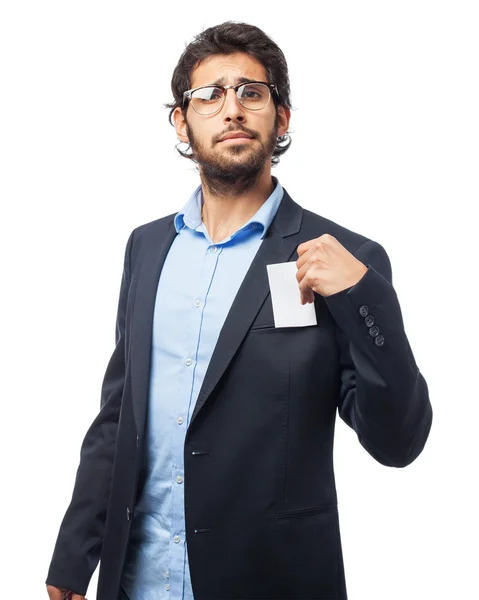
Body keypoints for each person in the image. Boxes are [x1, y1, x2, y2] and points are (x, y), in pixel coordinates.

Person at [45, 20, 433, 600]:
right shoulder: (147, 247)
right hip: (139, 580)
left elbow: (397, 442)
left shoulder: (345, 260)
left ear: (281, 118)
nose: (232, 109)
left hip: (269, 579)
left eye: (252, 93)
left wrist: (362, 295)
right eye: (211, 95)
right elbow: (118, 413)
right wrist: (76, 554)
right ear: (182, 121)